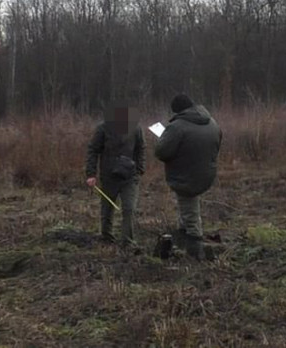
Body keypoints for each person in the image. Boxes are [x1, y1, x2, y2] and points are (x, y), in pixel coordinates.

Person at [154, 94, 222, 260]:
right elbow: (217, 144)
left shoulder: (177, 127)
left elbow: (162, 152)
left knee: (190, 211)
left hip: (186, 176)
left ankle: (194, 247)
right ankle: (183, 236)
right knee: (188, 206)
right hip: (206, 173)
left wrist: (163, 137)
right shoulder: (211, 122)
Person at [85, 101, 145, 248]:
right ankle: (106, 237)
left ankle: (127, 242)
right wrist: (91, 174)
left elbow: (141, 148)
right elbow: (93, 150)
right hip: (109, 176)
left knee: (129, 208)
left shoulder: (136, 128)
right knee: (107, 210)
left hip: (129, 177)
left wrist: (139, 169)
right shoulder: (102, 129)